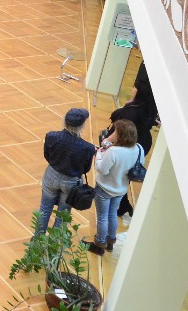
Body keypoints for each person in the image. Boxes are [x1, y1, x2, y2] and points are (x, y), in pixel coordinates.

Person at [35, 108, 97, 236]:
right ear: (82, 126)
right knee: (62, 215)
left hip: (52, 175)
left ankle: (37, 239)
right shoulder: (88, 148)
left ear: (65, 121)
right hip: (71, 182)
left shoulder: (51, 136)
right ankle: (54, 242)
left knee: (44, 209)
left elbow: (47, 155)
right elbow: (86, 168)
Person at [88, 118, 139, 255]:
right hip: (121, 188)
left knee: (102, 216)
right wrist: (108, 143)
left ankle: (99, 244)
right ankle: (110, 241)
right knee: (112, 214)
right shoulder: (137, 148)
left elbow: (102, 169)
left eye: (115, 131)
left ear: (120, 135)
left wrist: (98, 155)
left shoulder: (114, 152)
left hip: (105, 188)